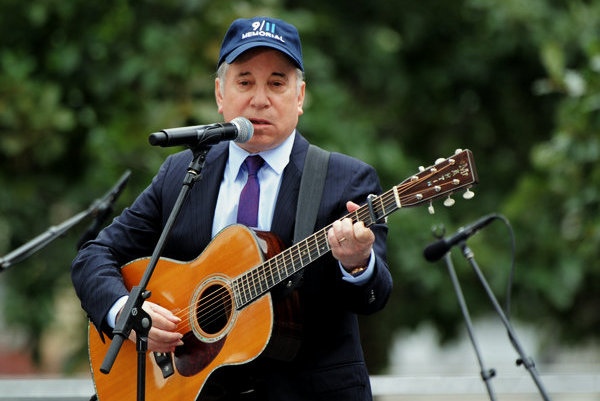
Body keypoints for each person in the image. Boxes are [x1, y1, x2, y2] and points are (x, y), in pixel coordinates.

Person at [72, 16, 393, 401]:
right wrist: (125, 310)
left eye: (277, 83)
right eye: (244, 82)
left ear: (300, 96)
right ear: (220, 94)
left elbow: (373, 297)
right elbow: (96, 253)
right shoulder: (183, 172)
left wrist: (358, 264)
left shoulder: (346, 180)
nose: (260, 99)